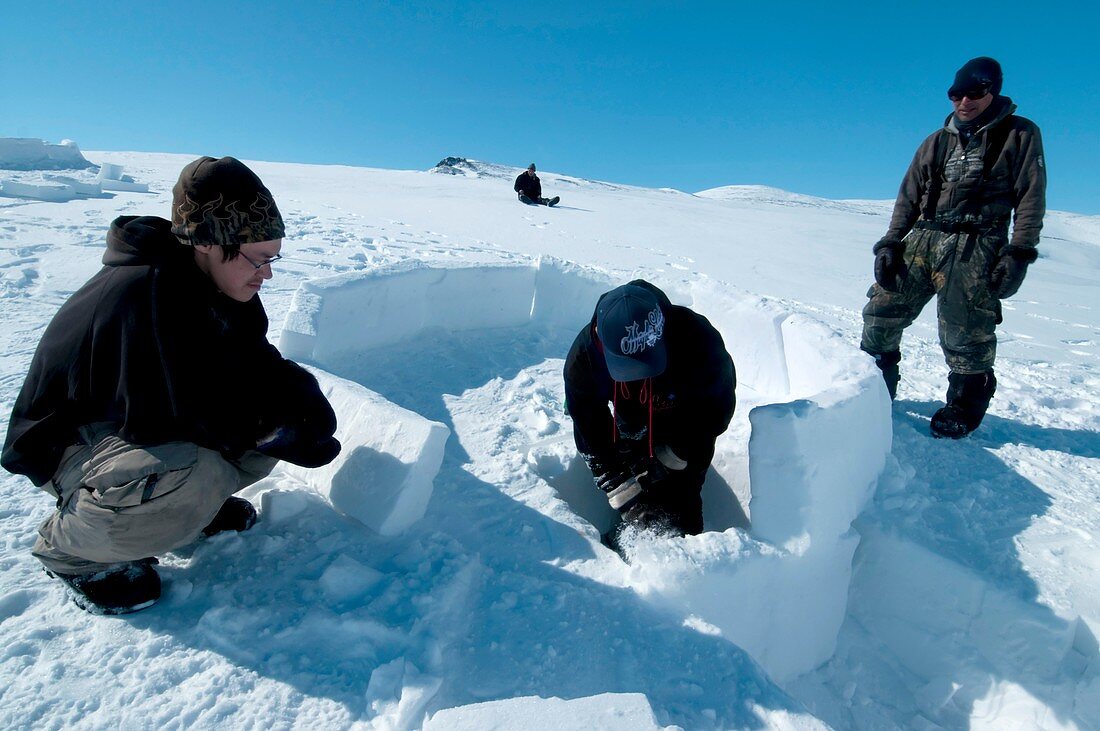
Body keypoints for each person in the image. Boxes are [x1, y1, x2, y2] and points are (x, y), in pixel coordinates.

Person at [1, 156, 341, 614]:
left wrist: (299, 401)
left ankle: (180, 514)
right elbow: (159, 418)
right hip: (77, 444)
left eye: (273, 258)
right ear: (206, 241)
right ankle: (73, 553)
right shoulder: (141, 293)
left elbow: (255, 367)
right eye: (258, 259)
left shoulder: (224, 287)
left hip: (141, 429)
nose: (268, 273)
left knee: (267, 430)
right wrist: (260, 427)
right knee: (192, 471)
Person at [860, 57, 1046, 439]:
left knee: (965, 327)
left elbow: (1031, 196)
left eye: (974, 93)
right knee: (882, 309)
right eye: (956, 94)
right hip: (925, 236)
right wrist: (892, 241)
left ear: (992, 91)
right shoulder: (937, 140)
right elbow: (909, 195)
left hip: (978, 241)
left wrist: (1019, 252)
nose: (964, 102)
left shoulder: (1020, 134)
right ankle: (874, 389)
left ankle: (964, 405)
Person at [564, 280, 735, 542]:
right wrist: (620, 488)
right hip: (628, 424)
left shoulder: (697, 338)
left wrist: (675, 455)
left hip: (683, 421)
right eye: (627, 368)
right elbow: (589, 424)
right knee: (633, 495)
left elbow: (715, 407)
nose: (636, 376)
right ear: (600, 338)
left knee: (682, 502)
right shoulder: (583, 359)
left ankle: (693, 556)